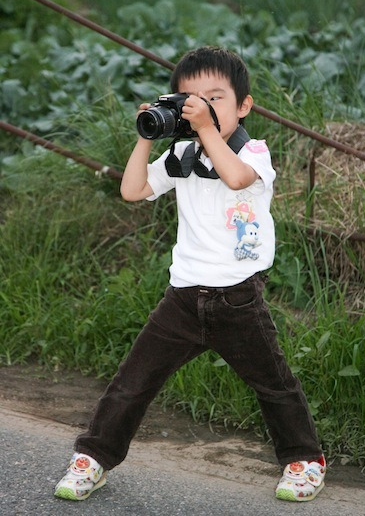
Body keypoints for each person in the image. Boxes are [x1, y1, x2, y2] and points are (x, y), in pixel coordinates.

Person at [54, 46, 326, 503]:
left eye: (215, 98)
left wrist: (206, 130)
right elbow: (133, 190)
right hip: (182, 296)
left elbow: (236, 178)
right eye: (189, 100)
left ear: (244, 106)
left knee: (274, 385)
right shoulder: (180, 155)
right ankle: (93, 459)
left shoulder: (254, 154)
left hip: (238, 297)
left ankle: (304, 461)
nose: (201, 107)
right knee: (132, 383)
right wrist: (147, 135)